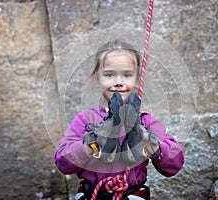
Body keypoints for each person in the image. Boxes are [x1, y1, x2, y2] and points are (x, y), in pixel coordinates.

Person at [54, 40, 184, 200]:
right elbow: (62, 163)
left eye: (127, 75)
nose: (118, 82)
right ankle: (99, 139)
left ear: (137, 80)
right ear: (97, 79)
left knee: (147, 138)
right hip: (93, 195)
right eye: (109, 75)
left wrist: (151, 144)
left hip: (132, 195)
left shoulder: (146, 121)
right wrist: (90, 144)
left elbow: (174, 165)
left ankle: (141, 139)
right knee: (93, 140)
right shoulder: (86, 120)